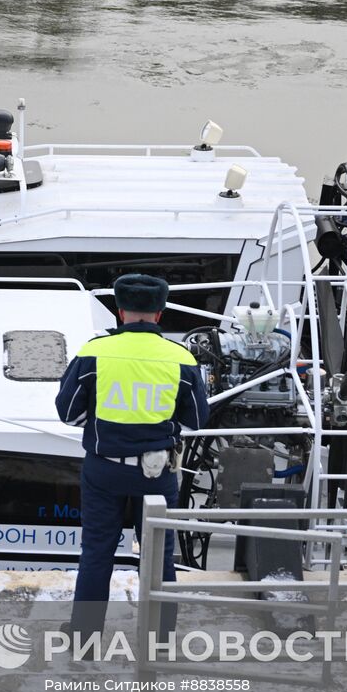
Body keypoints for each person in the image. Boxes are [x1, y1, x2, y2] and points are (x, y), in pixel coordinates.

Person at [55, 273, 209, 645]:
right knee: (159, 558)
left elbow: (69, 413)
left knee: (97, 553)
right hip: (156, 474)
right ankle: (160, 640)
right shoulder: (181, 358)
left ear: (120, 311)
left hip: (103, 469)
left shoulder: (94, 352)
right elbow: (197, 420)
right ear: (160, 312)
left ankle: (84, 639)